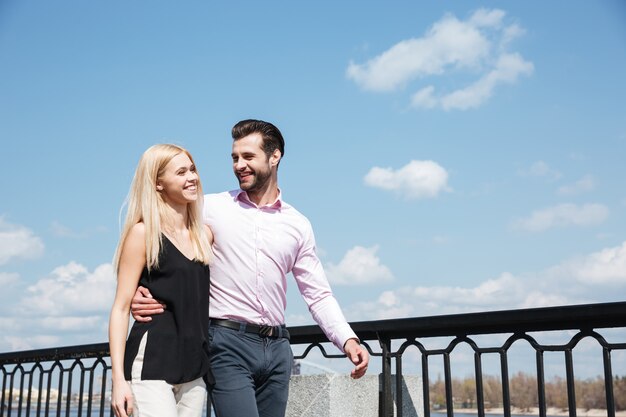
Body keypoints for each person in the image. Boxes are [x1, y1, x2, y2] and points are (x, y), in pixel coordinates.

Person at [131, 120, 369, 417]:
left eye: (248, 157)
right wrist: (141, 289)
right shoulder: (209, 207)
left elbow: (317, 293)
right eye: (235, 158)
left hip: (279, 350)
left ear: (274, 157)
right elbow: (157, 234)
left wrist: (347, 339)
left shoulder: (298, 224)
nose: (239, 165)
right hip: (226, 344)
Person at [108, 144, 214, 417]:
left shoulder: (204, 235)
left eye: (192, 169)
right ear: (158, 183)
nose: (192, 177)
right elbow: (120, 308)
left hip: (194, 367)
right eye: (181, 172)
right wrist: (118, 380)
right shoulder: (142, 234)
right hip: (151, 363)